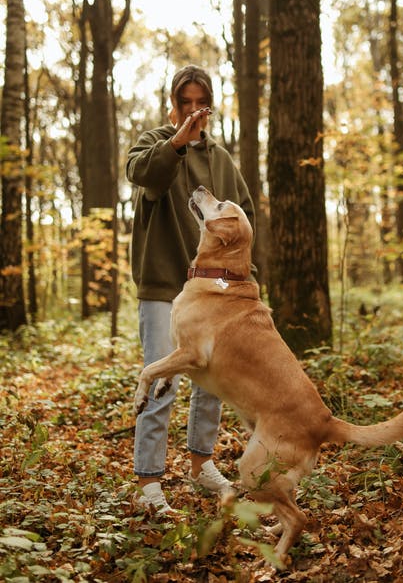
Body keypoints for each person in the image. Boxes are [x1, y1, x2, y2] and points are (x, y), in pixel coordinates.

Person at [126, 64, 256, 514]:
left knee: (211, 379)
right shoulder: (155, 144)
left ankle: (201, 464)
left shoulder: (222, 159)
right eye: (186, 102)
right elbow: (143, 173)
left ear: (212, 105)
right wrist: (178, 141)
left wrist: (241, 277)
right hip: (163, 281)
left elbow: (245, 217)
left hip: (214, 290)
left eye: (202, 102)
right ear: (174, 105)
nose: (195, 110)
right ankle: (149, 482)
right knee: (161, 377)